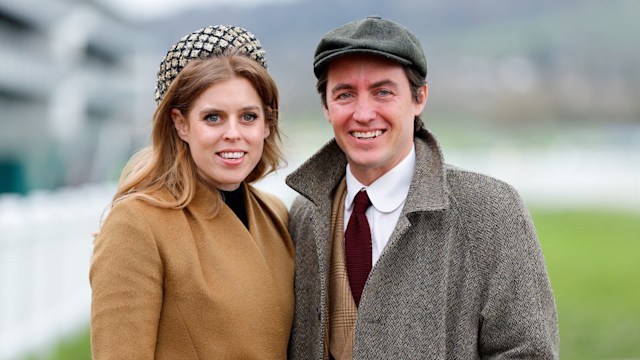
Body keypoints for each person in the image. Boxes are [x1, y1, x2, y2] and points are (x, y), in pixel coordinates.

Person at [286, 16, 559, 359]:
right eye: (345, 95)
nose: (363, 112)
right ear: (326, 106)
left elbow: (528, 353)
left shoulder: (492, 209)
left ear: (419, 98)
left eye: (383, 92)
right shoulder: (304, 213)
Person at [89, 25, 294, 359]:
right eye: (213, 117)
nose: (233, 133)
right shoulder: (137, 223)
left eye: (248, 116)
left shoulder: (276, 214)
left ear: (267, 124)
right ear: (180, 123)